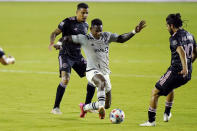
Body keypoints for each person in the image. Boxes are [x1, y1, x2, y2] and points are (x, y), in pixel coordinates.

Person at [54, 18, 146, 119]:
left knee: (108, 105)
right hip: (91, 71)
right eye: (96, 31)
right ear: (91, 29)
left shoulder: (106, 36)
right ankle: (100, 107)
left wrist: (134, 32)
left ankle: (85, 107)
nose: (99, 33)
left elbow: (121, 38)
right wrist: (59, 43)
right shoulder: (84, 38)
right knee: (101, 82)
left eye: (100, 30)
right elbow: (66, 38)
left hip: (105, 72)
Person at [140, 13, 197, 127]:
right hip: (188, 74)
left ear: (171, 25)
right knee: (170, 87)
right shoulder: (190, 35)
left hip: (177, 71)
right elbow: (195, 52)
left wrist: (184, 67)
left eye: (167, 26)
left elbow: (181, 51)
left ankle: (151, 121)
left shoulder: (174, 37)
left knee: (155, 92)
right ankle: (167, 113)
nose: (166, 28)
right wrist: (189, 66)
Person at [49, 3, 96, 115]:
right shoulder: (67, 21)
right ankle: (55, 108)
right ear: (77, 12)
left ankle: (87, 106)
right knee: (65, 79)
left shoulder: (86, 25)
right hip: (65, 54)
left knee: (93, 77)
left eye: (87, 13)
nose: (85, 15)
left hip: (77, 56)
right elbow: (55, 33)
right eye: (83, 13)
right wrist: (53, 42)